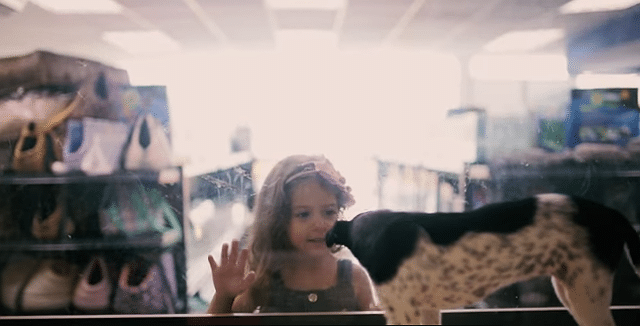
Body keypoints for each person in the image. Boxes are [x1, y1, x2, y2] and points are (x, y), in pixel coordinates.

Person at [207, 154, 378, 313]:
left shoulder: (355, 279)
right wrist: (224, 297)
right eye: (303, 214)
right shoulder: (262, 280)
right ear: (279, 220)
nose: (320, 224)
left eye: (329, 212)